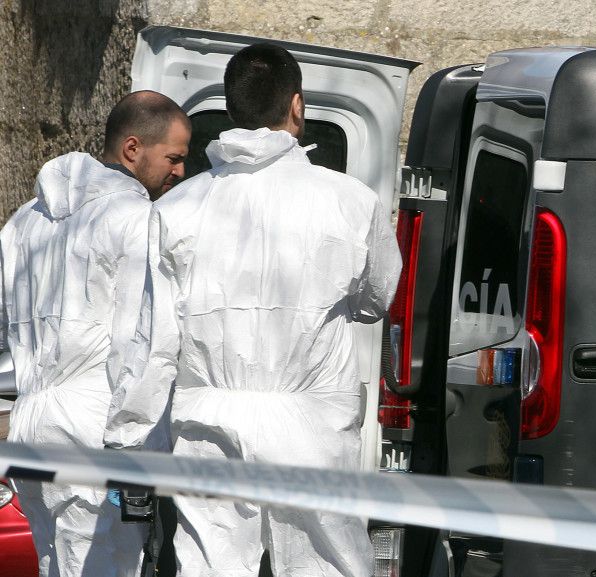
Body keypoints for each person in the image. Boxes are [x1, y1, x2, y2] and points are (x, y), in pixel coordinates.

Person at [103, 43, 400, 577]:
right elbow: (379, 298)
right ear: (297, 105)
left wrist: (128, 439)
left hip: (208, 422)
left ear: (232, 110)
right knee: (325, 567)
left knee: (211, 567)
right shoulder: (351, 201)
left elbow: (150, 341)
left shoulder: (175, 208)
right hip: (312, 424)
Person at [2, 90, 190, 577]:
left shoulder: (23, 223)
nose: (180, 172)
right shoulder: (135, 221)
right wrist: (134, 448)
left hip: (32, 427)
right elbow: (148, 344)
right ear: (133, 149)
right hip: (96, 431)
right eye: (173, 157)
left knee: (52, 565)